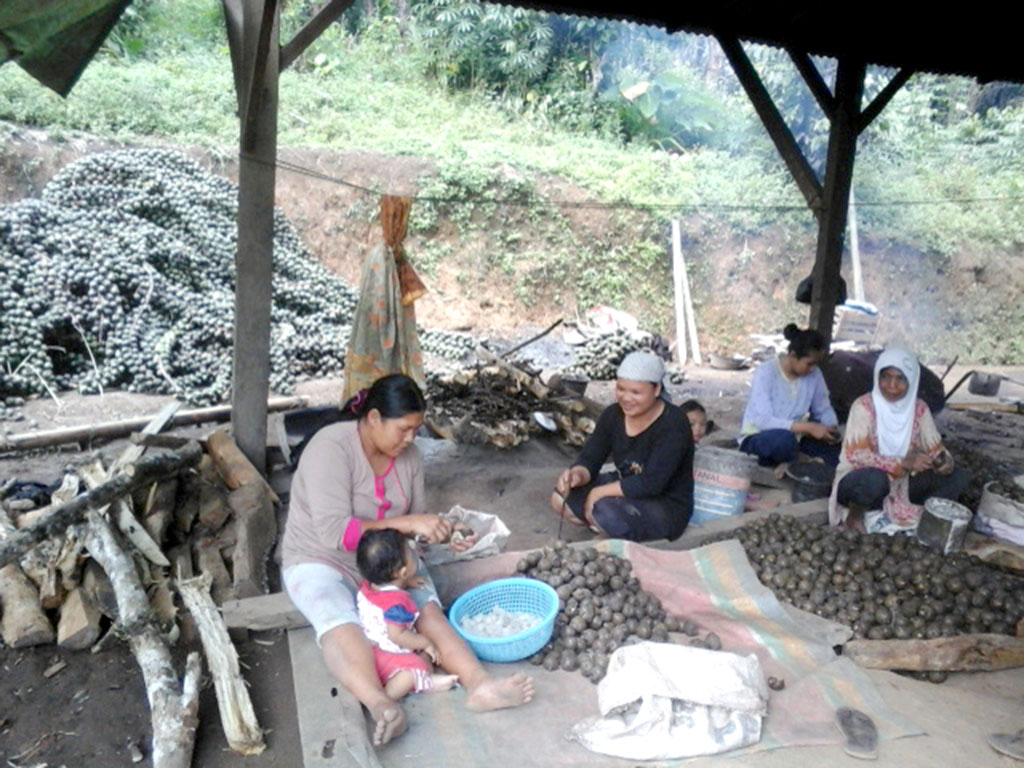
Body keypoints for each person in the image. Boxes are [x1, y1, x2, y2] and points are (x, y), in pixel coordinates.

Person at [281, 374, 534, 747]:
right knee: (339, 622)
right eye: (403, 429)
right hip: (322, 559)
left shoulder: (409, 459)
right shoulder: (329, 449)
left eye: (416, 430)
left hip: (387, 563)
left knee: (425, 610)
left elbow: (414, 529)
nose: (411, 439)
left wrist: (443, 536)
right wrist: (409, 523)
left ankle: (480, 686)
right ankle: (383, 705)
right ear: (373, 419)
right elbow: (336, 533)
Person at [550, 351, 694, 541]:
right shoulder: (612, 415)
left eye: (635, 392)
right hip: (625, 488)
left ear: (657, 390)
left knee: (605, 511)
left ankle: (611, 529)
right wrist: (577, 475)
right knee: (560, 498)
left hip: (665, 504)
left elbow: (652, 483)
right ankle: (609, 527)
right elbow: (591, 458)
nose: (626, 398)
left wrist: (598, 492)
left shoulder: (674, 423)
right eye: (621, 389)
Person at [828, 348, 968, 531]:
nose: (891, 385)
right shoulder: (863, 406)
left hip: (902, 485)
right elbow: (856, 456)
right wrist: (903, 463)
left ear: (912, 379)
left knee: (958, 476)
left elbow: (937, 448)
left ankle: (926, 519)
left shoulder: (920, 409)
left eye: (900, 378)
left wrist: (944, 462)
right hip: (860, 482)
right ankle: (855, 516)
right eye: (885, 377)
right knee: (874, 479)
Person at [355, 529, 459, 700]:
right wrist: (425, 642)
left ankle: (420, 678)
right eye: (411, 555)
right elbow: (397, 635)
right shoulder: (396, 603)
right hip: (388, 655)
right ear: (402, 572)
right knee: (419, 664)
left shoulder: (370, 585)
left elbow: (390, 582)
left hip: (370, 647)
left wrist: (406, 581)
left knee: (426, 654)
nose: (414, 555)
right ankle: (392, 695)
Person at [739, 324, 840, 469]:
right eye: (809, 364)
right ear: (793, 355)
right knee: (784, 441)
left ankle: (795, 462)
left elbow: (823, 409)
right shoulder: (766, 372)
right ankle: (798, 463)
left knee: (837, 450)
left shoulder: (814, 375)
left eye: (816, 364)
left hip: (796, 439)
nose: (813, 369)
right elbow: (763, 421)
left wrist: (831, 430)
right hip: (760, 437)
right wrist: (809, 427)